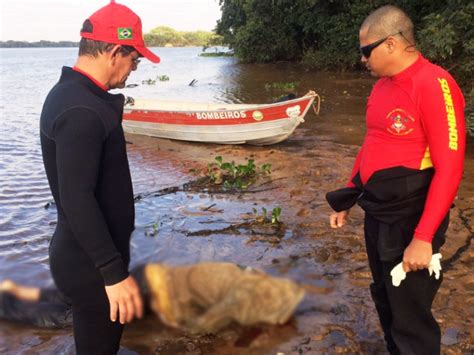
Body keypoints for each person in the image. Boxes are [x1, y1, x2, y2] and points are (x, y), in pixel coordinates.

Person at [326, 5, 465, 355]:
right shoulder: (382, 88)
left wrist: (423, 238)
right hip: (378, 213)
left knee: (411, 314)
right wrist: (348, 196)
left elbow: (450, 168)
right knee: (385, 298)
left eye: (365, 50)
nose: (362, 60)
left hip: (411, 216)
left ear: (391, 43)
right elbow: (373, 144)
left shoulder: (434, 83)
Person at [39, 1, 160, 353]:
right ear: (114, 51)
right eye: (134, 59)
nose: (134, 69)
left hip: (86, 255)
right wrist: (113, 273)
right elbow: (76, 198)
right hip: (88, 263)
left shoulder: (77, 96)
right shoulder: (81, 110)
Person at [0, 262, 305, 334]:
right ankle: (9, 307)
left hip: (150, 275)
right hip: (152, 292)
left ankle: (18, 289)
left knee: (83, 298)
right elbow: (207, 323)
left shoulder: (246, 273)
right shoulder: (245, 294)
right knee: (77, 319)